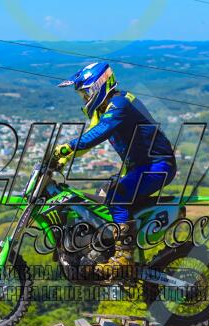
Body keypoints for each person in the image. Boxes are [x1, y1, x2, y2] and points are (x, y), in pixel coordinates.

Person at [54, 62, 176, 279]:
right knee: (101, 197)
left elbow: (99, 132)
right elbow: (90, 137)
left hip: (158, 165)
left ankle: (124, 257)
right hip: (140, 167)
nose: (84, 98)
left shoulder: (119, 104)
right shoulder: (104, 108)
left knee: (118, 196)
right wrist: (64, 158)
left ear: (98, 86)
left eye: (85, 93)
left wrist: (67, 146)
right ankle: (104, 250)